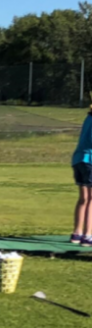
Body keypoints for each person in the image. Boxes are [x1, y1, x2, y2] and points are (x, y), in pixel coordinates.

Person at [70, 103, 92, 246]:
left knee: (83, 198)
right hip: (90, 160)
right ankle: (88, 235)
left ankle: (76, 233)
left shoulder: (88, 118)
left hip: (78, 159)